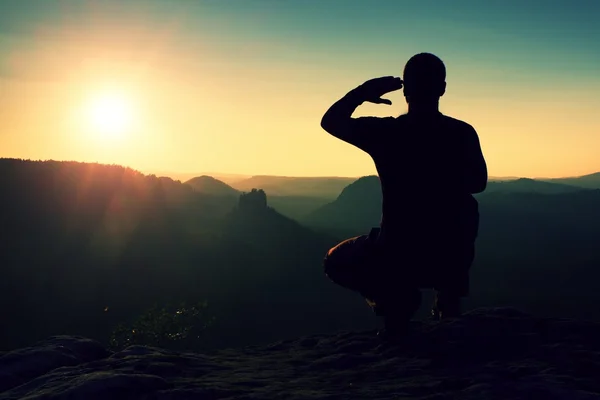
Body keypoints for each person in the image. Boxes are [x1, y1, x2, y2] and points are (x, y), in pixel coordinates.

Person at [320, 53, 488, 339]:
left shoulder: (386, 132)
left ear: (405, 90)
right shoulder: (461, 132)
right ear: (442, 88)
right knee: (465, 208)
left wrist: (361, 93)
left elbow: (331, 121)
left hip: (398, 253)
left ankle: (394, 302)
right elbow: (478, 183)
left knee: (335, 260)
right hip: (447, 256)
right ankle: (448, 298)